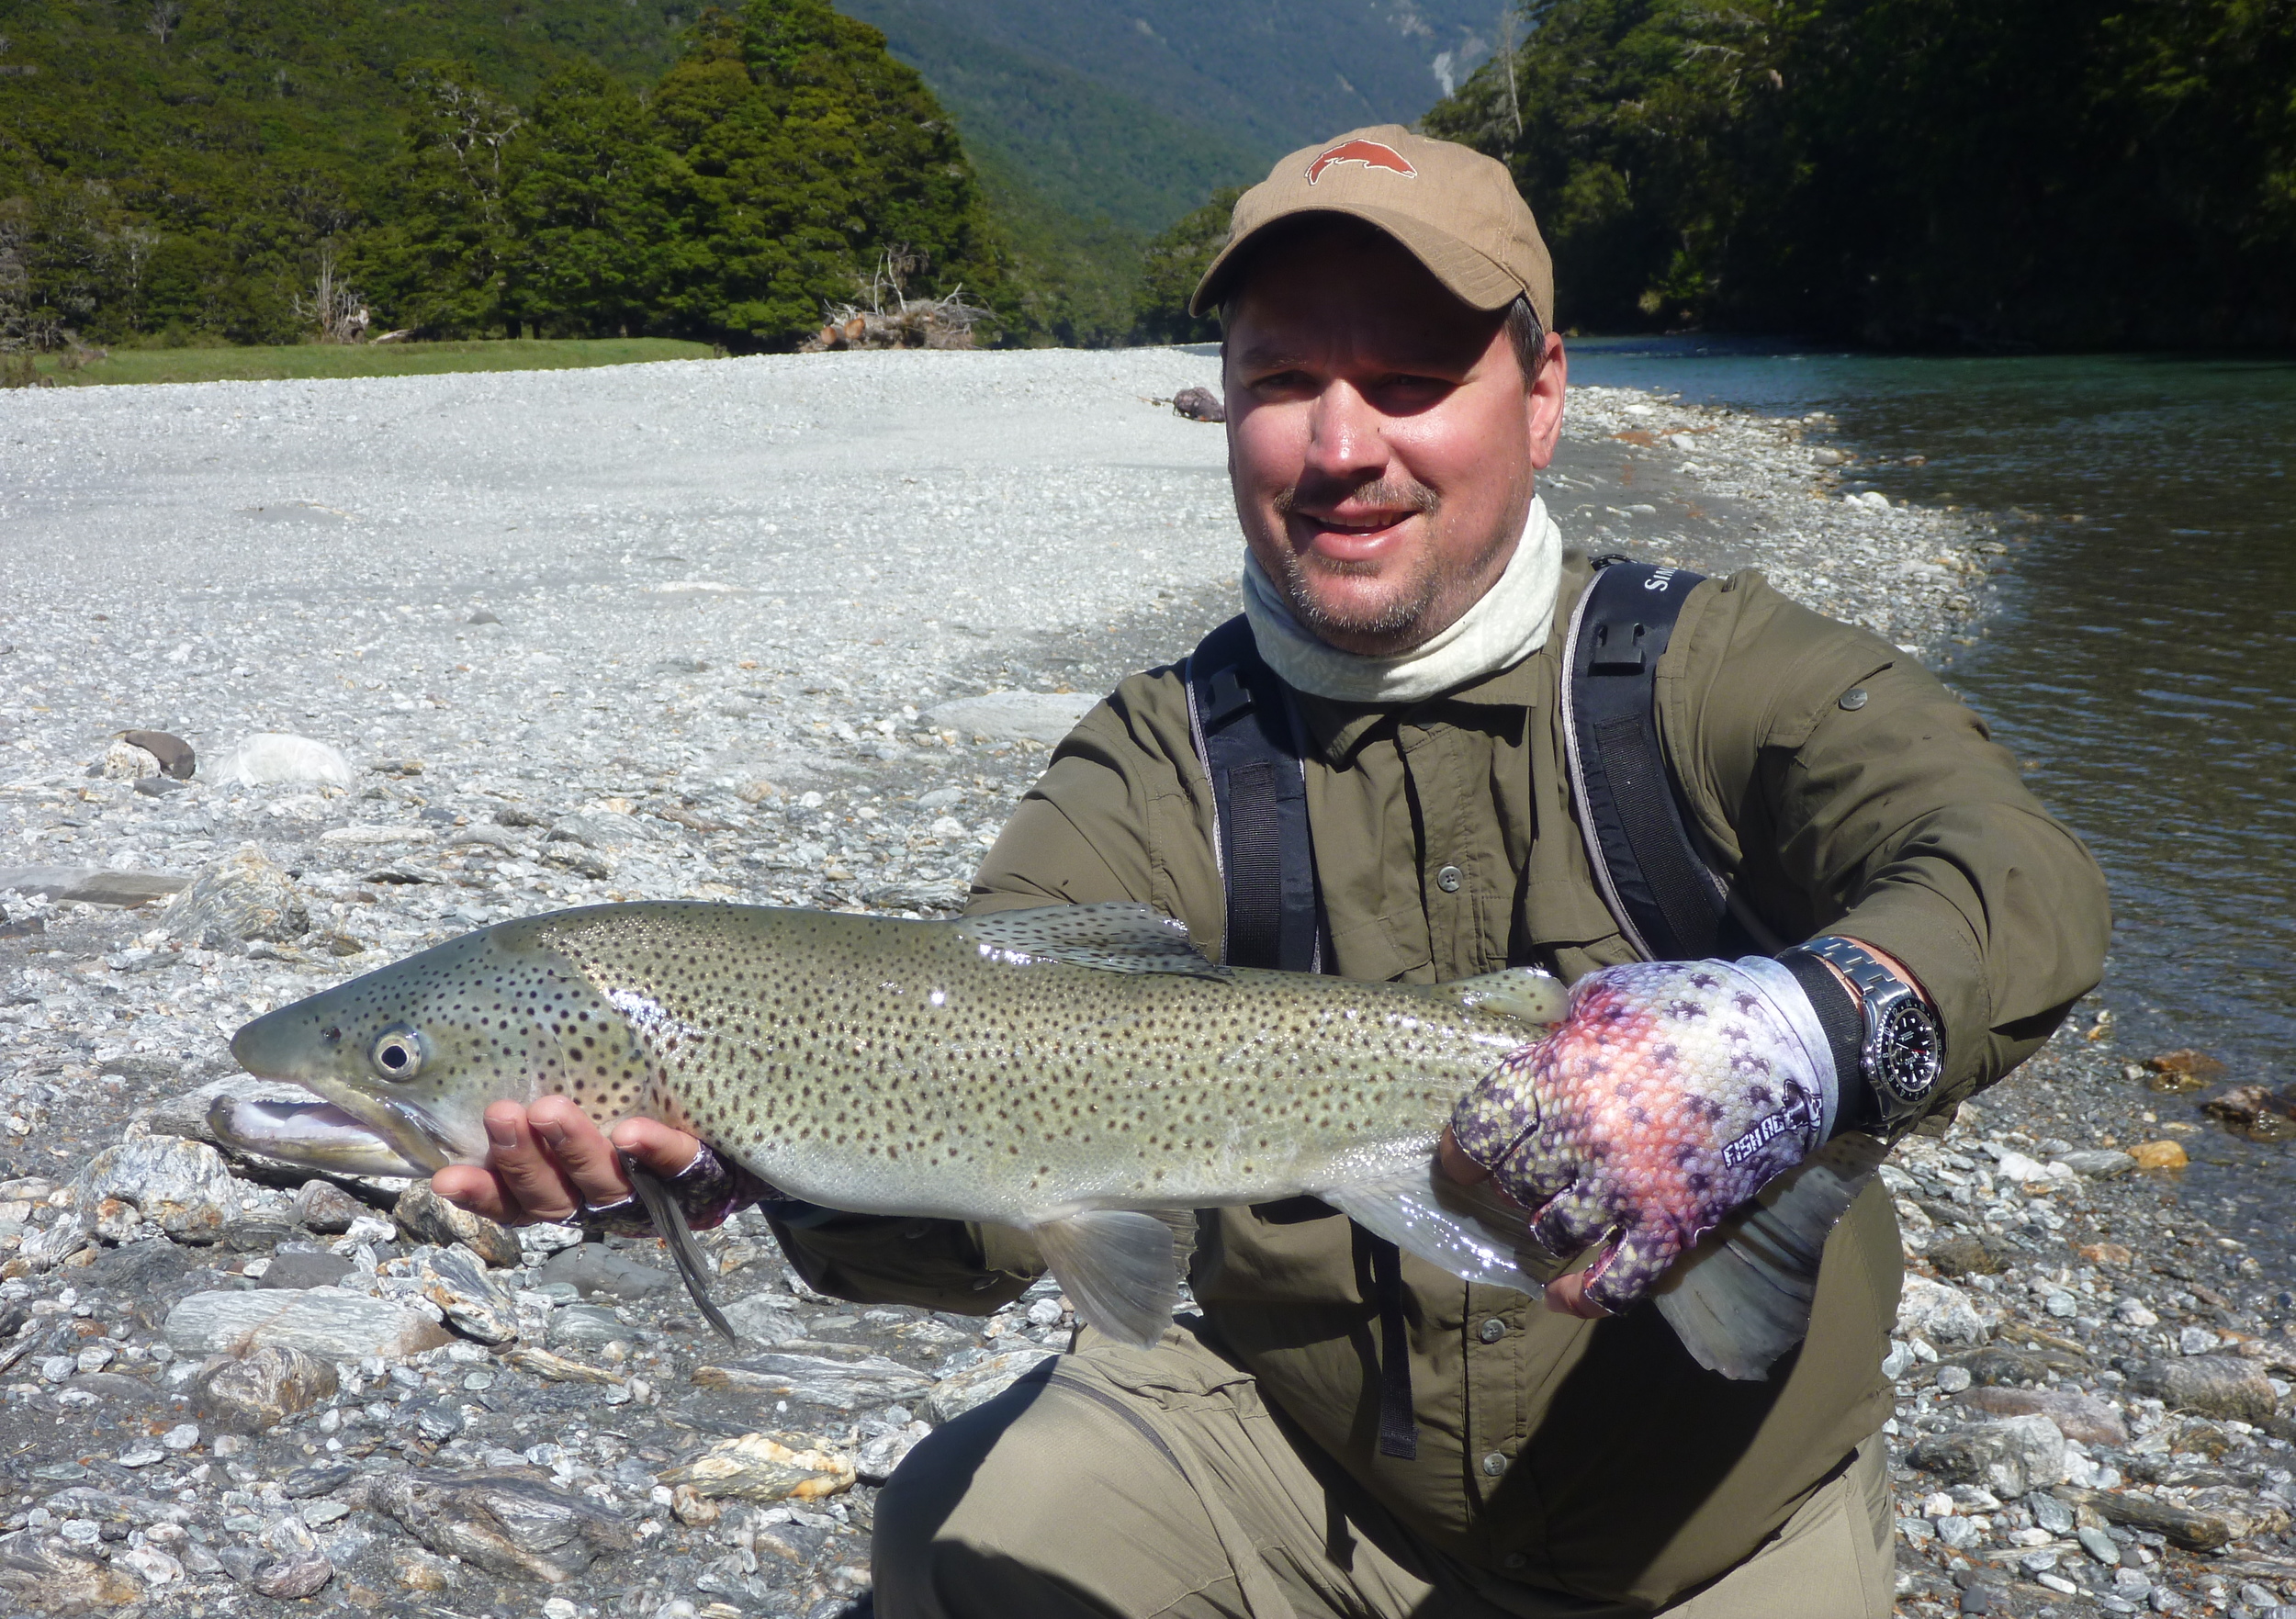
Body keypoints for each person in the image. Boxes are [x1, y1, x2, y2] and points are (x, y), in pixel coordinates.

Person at [436, 127, 2110, 1617]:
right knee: (962, 1541)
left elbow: (2020, 880)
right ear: (1225, 405)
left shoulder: (1721, 673)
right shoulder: (1154, 757)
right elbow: (987, 1175)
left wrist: (1810, 1031)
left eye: (1407, 380)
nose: (1338, 444)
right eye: (1281, 377)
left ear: (1541, 397)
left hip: (1708, 1519)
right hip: (1299, 1468)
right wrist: (760, 1165)